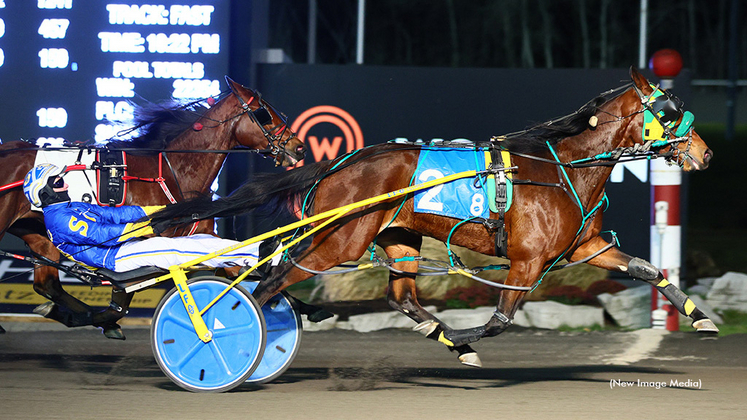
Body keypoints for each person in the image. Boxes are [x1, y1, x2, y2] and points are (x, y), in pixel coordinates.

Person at [22, 163, 277, 273]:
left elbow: (115, 213)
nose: (64, 183)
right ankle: (256, 257)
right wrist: (141, 229)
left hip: (126, 246)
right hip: (115, 257)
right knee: (174, 250)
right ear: (45, 193)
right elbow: (101, 235)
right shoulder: (59, 220)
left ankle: (258, 251)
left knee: (198, 240)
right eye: (57, 182)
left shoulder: (72, 206)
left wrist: (161, 210)